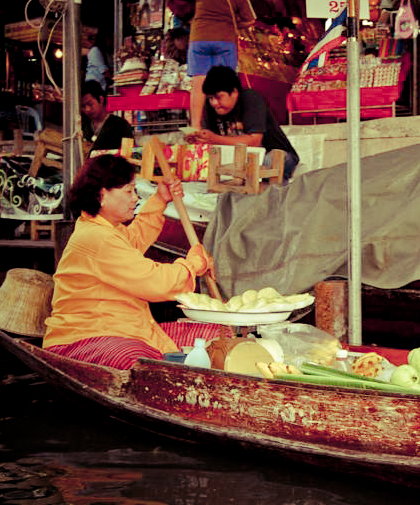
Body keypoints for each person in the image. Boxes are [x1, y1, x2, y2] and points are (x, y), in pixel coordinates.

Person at [43, 154, 218, 369]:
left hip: (126, 329)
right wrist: (193, 265)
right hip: (85, 337)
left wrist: (160, 200)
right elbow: (155, 283)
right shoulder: (98, 237)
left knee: (217, 335)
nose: (135, 198)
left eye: (134, 191)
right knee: (140, 360)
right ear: (102, 195)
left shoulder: (105, 229)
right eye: (128, 191)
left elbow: (134, 239)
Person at [172, 0, 256, 130]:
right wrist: (232, 24)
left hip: (200, 40)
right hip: (224, 41)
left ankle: (196, 127)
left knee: (198, 85)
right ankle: (230, 125)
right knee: (224, 84)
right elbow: (250, 20)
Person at [190, 65, 299, 182]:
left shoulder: (251, 99)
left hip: (275, 155)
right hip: (237, 160)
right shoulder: (210, 107)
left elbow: (255, 141)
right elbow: (210, 142)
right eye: (211, 98)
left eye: (219, 97)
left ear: (234, 92)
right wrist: (199, 139)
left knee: (264, 163)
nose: (215, 103)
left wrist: (214, 138)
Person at [81, 80, 134, 153]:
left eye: (90, 104)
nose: (87, 109)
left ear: (101, 100)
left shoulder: (120, 125)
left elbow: (130, 153)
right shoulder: (84, 128)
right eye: (83, 106)